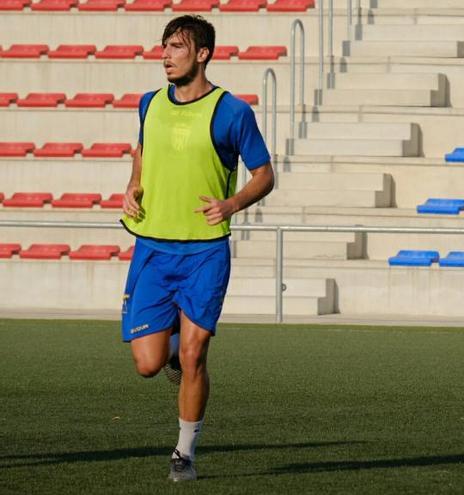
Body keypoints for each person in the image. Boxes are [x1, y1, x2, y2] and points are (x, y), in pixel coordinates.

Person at [119, 15, 274, 481]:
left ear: (203, 53)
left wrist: (232, 203)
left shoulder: (232, 112)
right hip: (152, 248)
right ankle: (168, 353)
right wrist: (133, 185)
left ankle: (184, 452)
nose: (165, 56)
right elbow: (143, 151)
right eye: (164, 47)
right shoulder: (149, 104)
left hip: (205, 251)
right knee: (148, 364)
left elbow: (264, 175)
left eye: (177, 48)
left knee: (195, 354)